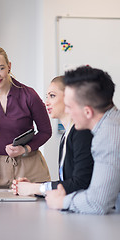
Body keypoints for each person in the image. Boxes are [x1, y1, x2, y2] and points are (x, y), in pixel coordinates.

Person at [0, 46, 52, 189]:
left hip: (31, 169)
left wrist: (25, 149)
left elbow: (46, 131)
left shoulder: (29, 95)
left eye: (1, 68)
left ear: (9, 66)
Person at [45, 66, 120, 214]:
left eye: (69, 106)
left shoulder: (108, 135)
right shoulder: (110, 123)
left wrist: (60, 201)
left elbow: (97, 203)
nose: (67, 111)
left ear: (87, 112)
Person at [12, 76, 94, 196]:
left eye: (52, 96)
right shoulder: (67, 135)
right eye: (47, 97)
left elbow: (80, 183)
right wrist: (33, 187)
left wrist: (36, 188)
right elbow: (66, 183)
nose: (47, 103)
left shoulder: (82, 133)